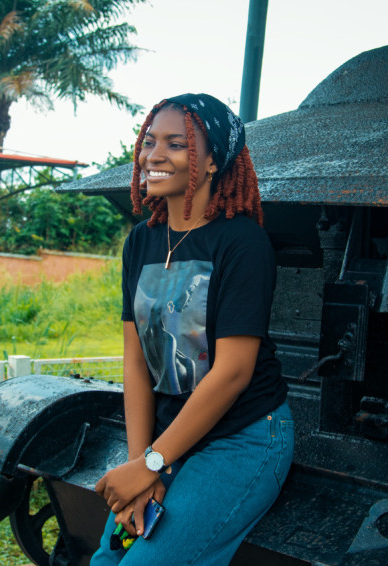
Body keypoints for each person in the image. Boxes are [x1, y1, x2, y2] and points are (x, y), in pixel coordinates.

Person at [92, 93, 294, 566]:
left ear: (210, 163)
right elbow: (137, 360)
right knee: (108, 558)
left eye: (176, 144)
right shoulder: (141, 240)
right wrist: (142, 463)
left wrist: (151, 464)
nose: (153, 155)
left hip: (242, 437)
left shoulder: (242, 242)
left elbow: (233, 373)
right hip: (170, 435)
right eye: (149, 141)